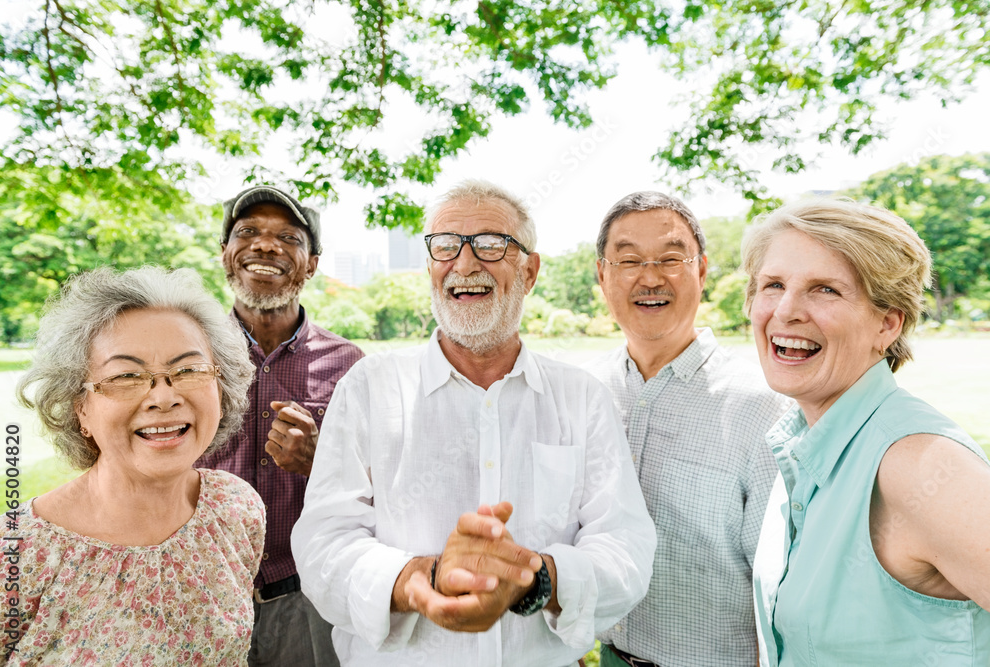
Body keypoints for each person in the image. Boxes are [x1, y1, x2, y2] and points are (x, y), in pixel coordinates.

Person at [292, 180, 656, 667]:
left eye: (491, 244)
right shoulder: (369, 387)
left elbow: (625, 546)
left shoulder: (581, 397)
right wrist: (421, 580)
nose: (465, 264)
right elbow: (323, 544)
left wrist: (535, 579)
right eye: (446, 246)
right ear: (429, 267)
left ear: (529, 271)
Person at [743, 199, 990, 665]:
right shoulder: (803, 445)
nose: (787, 310)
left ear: (887, 323)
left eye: (825, 290)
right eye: (773, 285)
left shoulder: (918, 463)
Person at [0, 266, 263, 665]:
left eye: (188, 370)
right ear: (80, 407)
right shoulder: (12, 555)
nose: (163, 397)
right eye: (126, 376)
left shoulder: (235, 508)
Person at [588, 191, 792, 667]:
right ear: (602, 275)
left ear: (701, 270)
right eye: (629, 260)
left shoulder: (762, 404)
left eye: (671, 258)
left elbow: (780, 582)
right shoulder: (585, 393)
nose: (650, 277)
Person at [198, 185, 365, 666]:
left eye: (287, 237)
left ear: (311, 263)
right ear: (225, 255)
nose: (265, 246)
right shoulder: (187, 353)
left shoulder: (350, 364)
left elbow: (383, 490)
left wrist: (321, 460)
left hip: (307, 596)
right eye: (247, 232)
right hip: (202, 589)